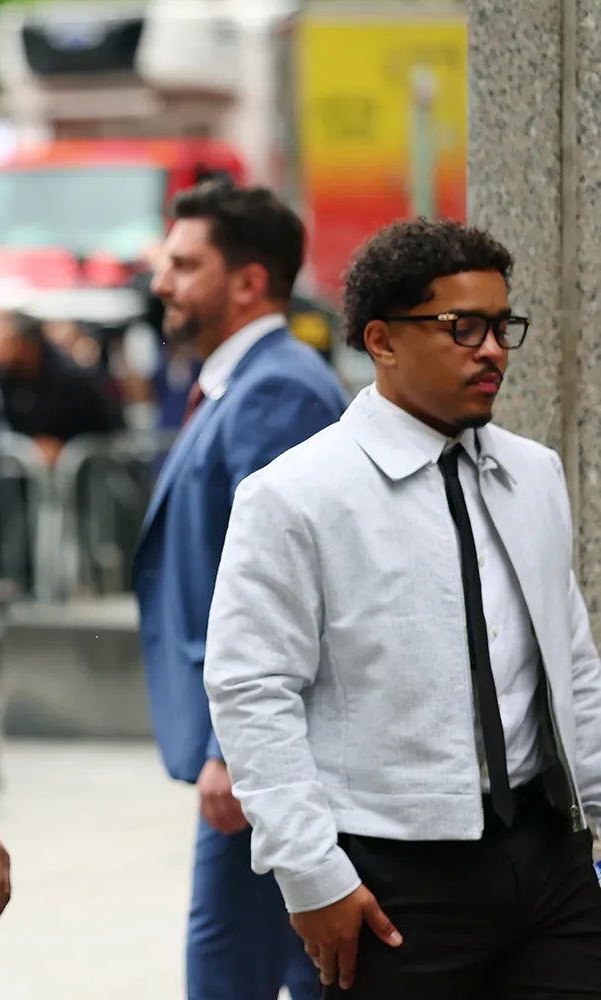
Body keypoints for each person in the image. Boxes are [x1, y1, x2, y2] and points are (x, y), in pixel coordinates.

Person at [205, 219, 601, 998]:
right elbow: (252, 691)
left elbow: (571, 663)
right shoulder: (295, 494)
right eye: (464, 327)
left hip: (550, 859)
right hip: (394, 878)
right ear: (382, 341)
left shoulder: (534, 473)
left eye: (502, 325)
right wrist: (312, 875)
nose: (492, 349)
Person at [133, 180, 346, 1000]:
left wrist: (233, 747)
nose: (162, 282)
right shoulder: (242, 381)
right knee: (290, 962)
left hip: (263, 754)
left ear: (250, 281)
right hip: (255, 751)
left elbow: (280, 584)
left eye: (185, 265)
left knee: (232, 968)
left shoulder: (279, 389)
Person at [0, 307, 124, 463]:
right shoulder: (6, 377)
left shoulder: (72, 378)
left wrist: (66, 447)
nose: (2, 349)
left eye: (10, 342)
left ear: (28, 344)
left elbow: (108, 425)